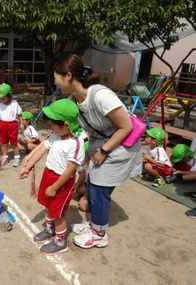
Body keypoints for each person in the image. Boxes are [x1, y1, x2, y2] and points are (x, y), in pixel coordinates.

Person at [52, 52, 141, 249]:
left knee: (99, 188)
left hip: (118, 146)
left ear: (68, 76)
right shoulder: (75, 100)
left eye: (56, 76)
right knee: (91, 183)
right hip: (101, 145)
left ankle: (99, 234)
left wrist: (103, 150)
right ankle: (93, 224)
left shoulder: (100, 95)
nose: (54, 81)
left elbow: (126, 127)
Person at [19, 99, 85, 255]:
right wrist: (27, 167)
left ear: (66, 124)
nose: (51, 129)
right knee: (48, 205)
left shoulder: (76, 143)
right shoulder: (56, 135)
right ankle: (49, 230)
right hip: (48, 175)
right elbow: (41, 150)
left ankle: (60, 242)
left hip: (61, 182)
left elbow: (70, 171)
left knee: (58, 214)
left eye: (52, 125)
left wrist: (55, 187)